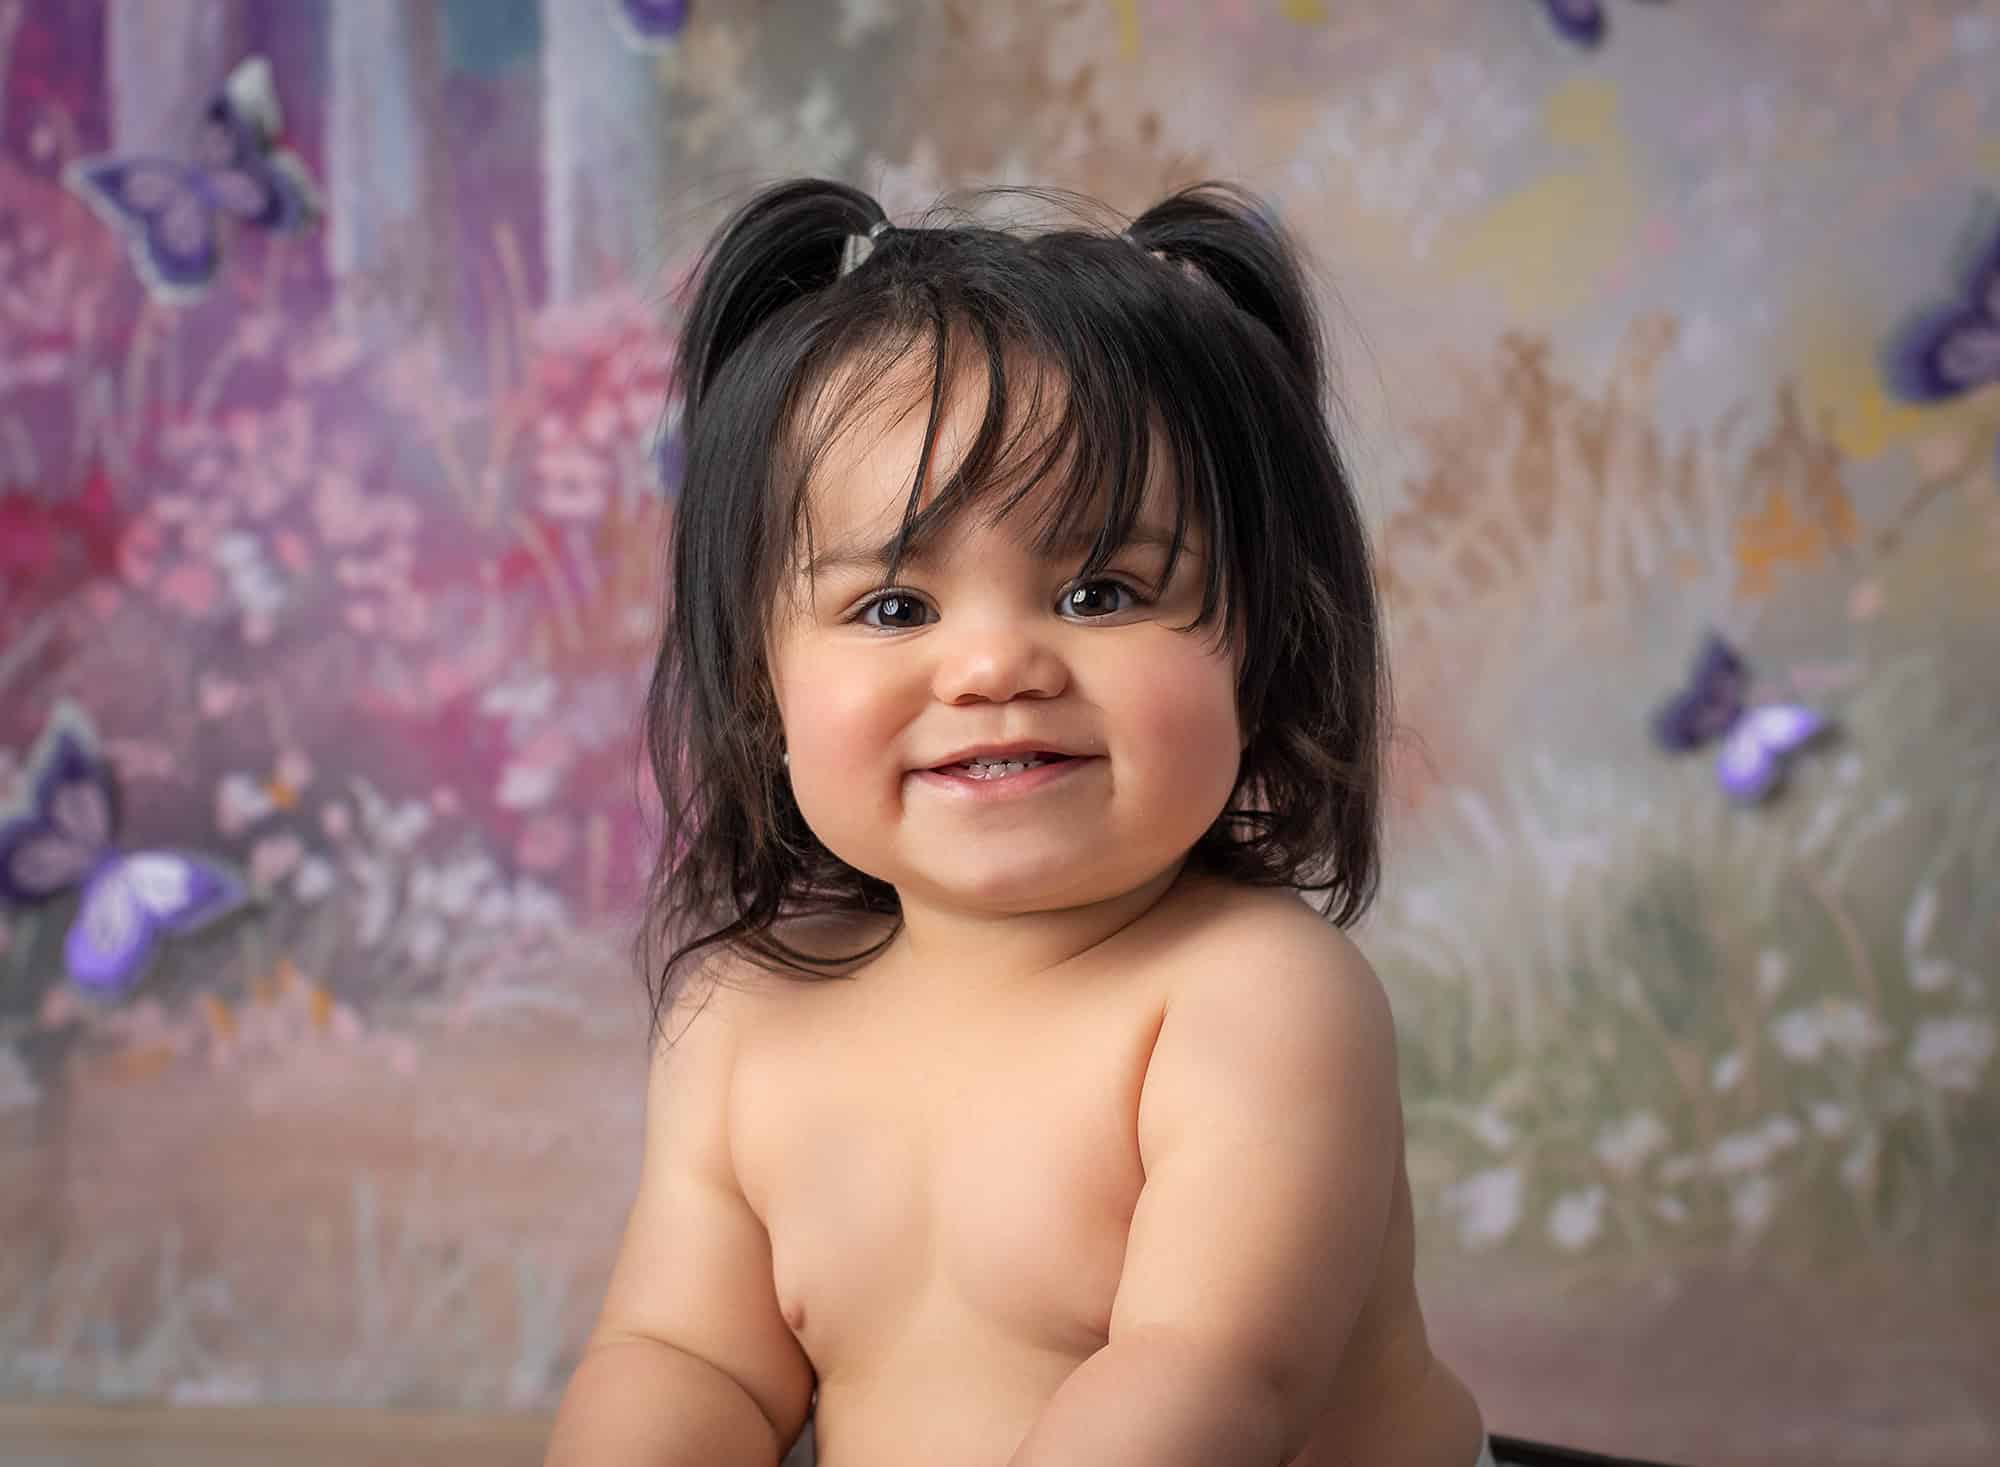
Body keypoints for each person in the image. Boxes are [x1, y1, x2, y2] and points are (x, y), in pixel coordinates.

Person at [545, 177, 1490, 1467]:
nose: (995, 666)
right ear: (760, 686)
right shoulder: (743, 1022)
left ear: (1260, 647)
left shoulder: (1252, 1000)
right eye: (893, 609)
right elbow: (687, 1358)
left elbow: (1206, 1383)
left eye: (1101, 591)